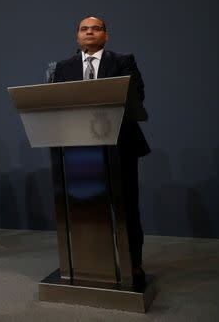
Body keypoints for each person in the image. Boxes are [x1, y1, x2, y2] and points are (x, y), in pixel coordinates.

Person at [52, 16, 150, 284]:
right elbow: (55, 103)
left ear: (106, 35)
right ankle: (90, 264)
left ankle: (134, 264)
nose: (89, 32)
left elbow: (136, 94)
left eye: (96, 29)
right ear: (77, 36)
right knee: (86, 207)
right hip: (79, 149)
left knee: (126, 207)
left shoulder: (123, 61)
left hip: (121, 144)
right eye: (84, 29)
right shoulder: (62, 68)